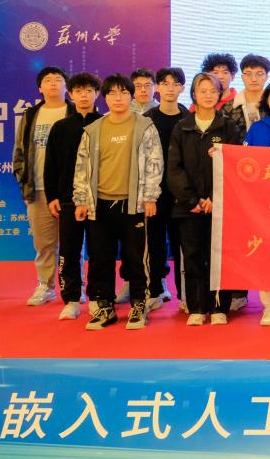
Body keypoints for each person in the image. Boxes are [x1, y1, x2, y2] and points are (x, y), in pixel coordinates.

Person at [71, 74, 164, 331]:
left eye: (123, 93)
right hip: (99, 204)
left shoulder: (144, 125)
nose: (118, 98)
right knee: (100, 259)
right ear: (105, 98)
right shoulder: (93, 129)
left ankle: (138, 305)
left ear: (131, 96)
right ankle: (105, 307)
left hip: (133, 204)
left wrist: (150, 197)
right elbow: (82, 167)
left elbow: (155, 163)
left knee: (136, 258)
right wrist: (81, 200)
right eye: (112, 93)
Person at [166, 72, 244, 326]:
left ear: (220, 94)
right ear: (194, 94)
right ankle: (197, 307)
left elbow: (234, 166)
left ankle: (220, 306)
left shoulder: (228, 127)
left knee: (220, 257)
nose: (208, 95)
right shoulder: (182, 127)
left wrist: (214, 198)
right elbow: (174, 168)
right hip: (188, 207)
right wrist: (193, 201)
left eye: (213, 91)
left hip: (221, 206)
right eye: (203, 91)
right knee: (192, 256)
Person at [43, 72, 101, 321]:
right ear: (71, 94)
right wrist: (52, 196)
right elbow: (51, 165)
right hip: (68, 200)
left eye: (89, 91)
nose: (84, 96)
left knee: (99, 251)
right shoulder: (61, 127)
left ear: (97, 94)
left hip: (100, 199)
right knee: (69, 250)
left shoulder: (105, 124)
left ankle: (97, 297)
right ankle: (72, 299)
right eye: (78, 91)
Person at [13, 66, 72, 306]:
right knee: (43, 243)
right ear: (40, 88)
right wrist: (24, 180)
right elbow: (19, 152)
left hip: (69, 191)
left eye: (58, 79)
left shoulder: (74, 112)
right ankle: (45, 286)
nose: (54, 83)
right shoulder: (30, 115)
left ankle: (74, 287)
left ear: (67, 86)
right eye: (48, 80)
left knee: (73, 243)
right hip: (38, 189)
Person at [145, 67, 187, 310]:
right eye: (165, 83)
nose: (170, 88)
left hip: (181, 193)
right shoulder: (146, 119)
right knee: (155, 242)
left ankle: (185, 295)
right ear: (157, 87)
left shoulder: (189, 118)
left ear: (182, 88)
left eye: (175, 84)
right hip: (154, 193)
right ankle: (156, 290)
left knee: (183, 244)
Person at [225, 54, 270, 134]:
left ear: (266, 77)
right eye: (248, 74)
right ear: (242, 77)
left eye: (259, 74)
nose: (254, 79)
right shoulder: (228, 108)